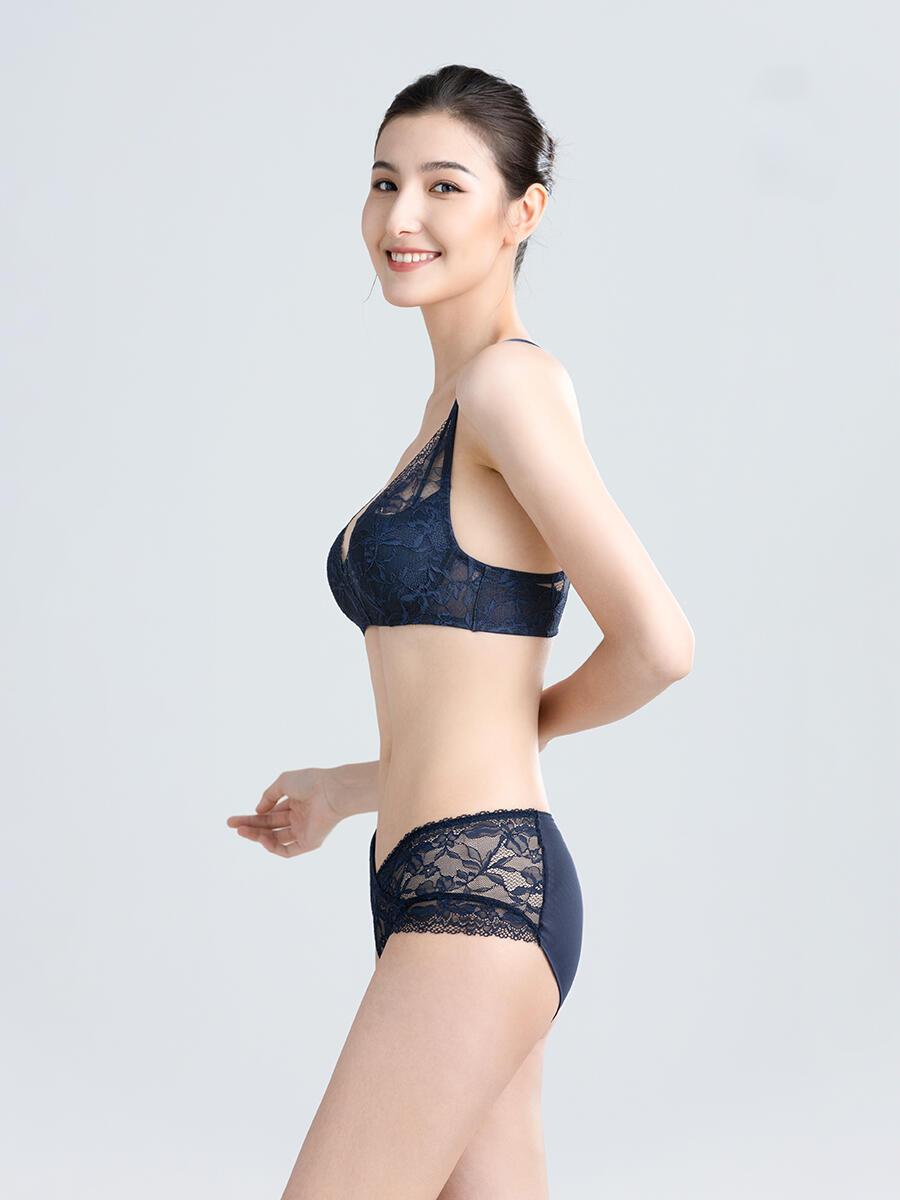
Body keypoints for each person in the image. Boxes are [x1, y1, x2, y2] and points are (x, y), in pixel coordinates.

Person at [226, 63, 694, 1200]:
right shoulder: (445, 412)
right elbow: (461, 702)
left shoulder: (506, 391)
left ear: (522, 212)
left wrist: (516, 742)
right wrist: (347, 789)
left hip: (481, 889)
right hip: (428, 875)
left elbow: (658, 645)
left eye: (444, 186)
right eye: (384, 182)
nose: (402, 216)